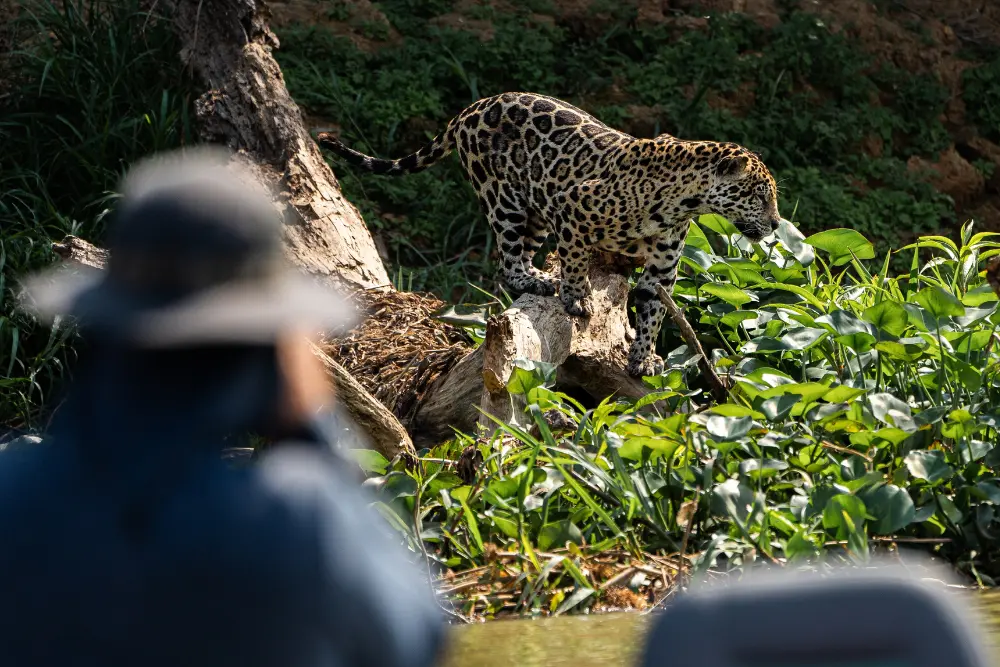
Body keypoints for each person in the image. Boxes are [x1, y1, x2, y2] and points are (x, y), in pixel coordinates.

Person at [2, 147, 446, 667]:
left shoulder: (12, 498)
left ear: (105, 330)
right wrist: (312, 434)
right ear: (264, 353)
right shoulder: (304, 527)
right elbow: (417, 637)